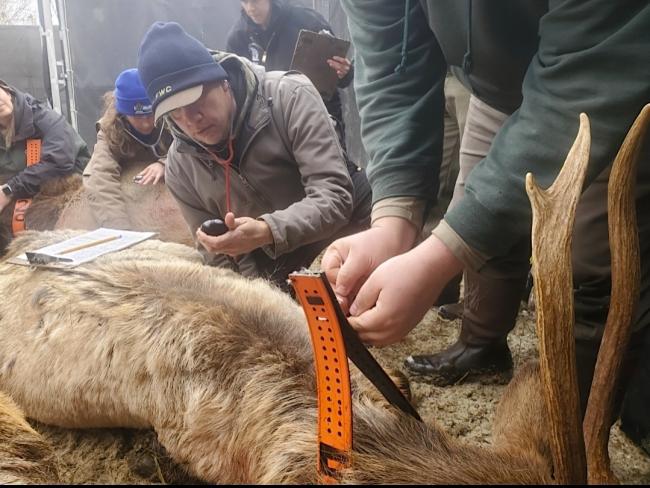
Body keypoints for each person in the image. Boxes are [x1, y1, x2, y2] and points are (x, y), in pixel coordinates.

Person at [323, 0, 650, 431]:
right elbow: (390, 64)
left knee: (591, 265)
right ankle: (482, 345)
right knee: (475, 219)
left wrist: (438, 256)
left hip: (604, 81)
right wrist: (393, 222)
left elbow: (595, 68)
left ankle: (580, 424)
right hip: (493, 91)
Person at [137, 21, 371, 287]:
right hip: (280, 261)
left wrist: (266, 231)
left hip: (353, 226)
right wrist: (254, 294)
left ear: (223, 81)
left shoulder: (289, 97)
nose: (191, 120)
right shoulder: (180, 167)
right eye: (174, 113)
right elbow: (217, 255)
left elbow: (335, 197)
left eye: (195, 100)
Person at [226, 0, 353, 148]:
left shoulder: (307, 20)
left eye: (255, 1)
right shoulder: (237, 38)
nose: (250, 8)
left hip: (318, 119)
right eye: (244, 2)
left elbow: (340, 76)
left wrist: (345, 72)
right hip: (271, 129)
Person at [82, 68, 173, 230]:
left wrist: (165, 163)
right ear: (123, 114)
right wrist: (120, 230)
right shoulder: (110, 129)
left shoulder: (171, 115)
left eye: (150, 114)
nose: (146, 123)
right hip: (134, 191)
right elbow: (100, 177)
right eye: (137, 116)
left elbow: (192, 145)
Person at [0, 80, 90, 215]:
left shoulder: (45, 119)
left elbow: (58, 163)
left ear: (7, 91)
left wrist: (9, 190)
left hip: (69, 192)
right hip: (24, 190)